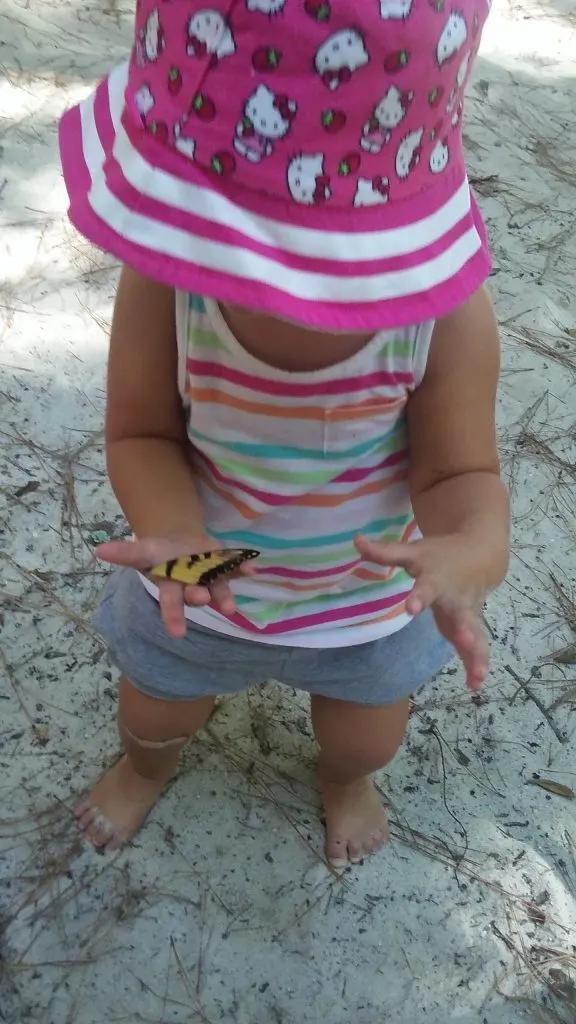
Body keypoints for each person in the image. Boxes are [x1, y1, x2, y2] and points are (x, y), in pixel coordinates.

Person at [59, 0, 509, 866]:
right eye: (234, 231)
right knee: (154, 712)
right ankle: (146, 768)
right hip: (197, 583)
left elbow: (463, 475)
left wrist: (469, 552)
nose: (263, 268)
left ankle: (344, 784)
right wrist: (178, 535)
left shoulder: (443, 310)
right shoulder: (167, 276)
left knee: (364, 742)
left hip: (369, 607)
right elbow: (143, 432)